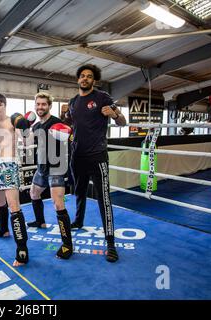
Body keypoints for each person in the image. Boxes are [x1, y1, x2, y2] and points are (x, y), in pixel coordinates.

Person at [66, 64, 126, 263]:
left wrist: (115, 114)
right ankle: (78, 220)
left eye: (89, 76)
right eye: (82, 76)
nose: (85, 79)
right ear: (78, 79)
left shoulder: (102, 98)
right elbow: (72, 126)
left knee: (104, 198)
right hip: (78, 155)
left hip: (97, 155)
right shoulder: (73, 102)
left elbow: (123, 122)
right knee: (79, 190)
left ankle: (110, 243)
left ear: (95, 80)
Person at [0, 93, 33, 266]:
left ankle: (22, 249)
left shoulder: (13, 121)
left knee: (14, 206)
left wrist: (25, 126)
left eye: (0, 104)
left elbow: (27, 141)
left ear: (5, 105)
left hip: (11, 164)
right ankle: (4, 230)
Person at [27, 92, 74, 259]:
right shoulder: (36, 126)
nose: (40, 107)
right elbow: (31, 144)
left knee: (58, 204)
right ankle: (40, 221)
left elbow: (67, 144)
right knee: (34, 193)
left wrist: (66, 135)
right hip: (41, 168)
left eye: (43, 104)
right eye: (38, 104)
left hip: (55, 168)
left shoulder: (57, 123)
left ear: (49, 106)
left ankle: (68, 244)